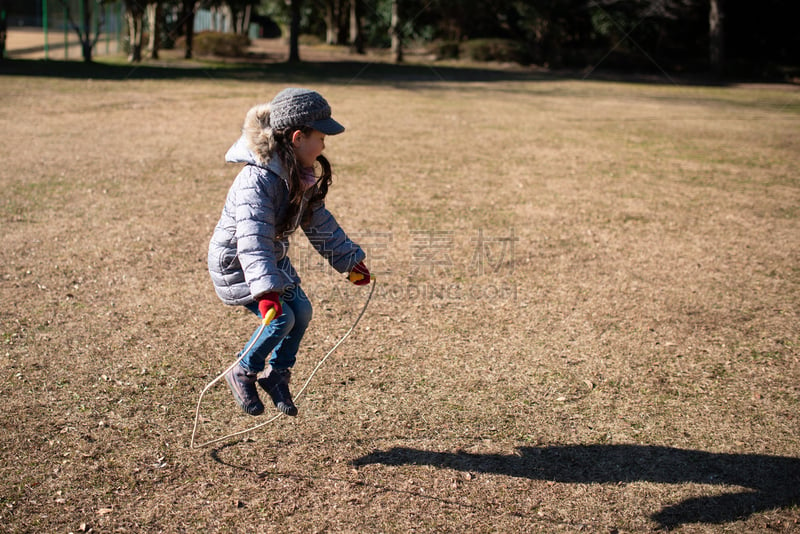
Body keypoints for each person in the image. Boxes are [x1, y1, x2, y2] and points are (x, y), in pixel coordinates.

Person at [208, 88, 370, 417]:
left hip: (272, 259)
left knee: (303, 312)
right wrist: (267, 291)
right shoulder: (257, 181)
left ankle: (277, 374)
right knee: (281, 318)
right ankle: (242, 370)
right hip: (240, 264)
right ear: (297, 137)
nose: (324, 145)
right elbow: (251, 239)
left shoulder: (299, 172)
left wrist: (349, 261)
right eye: (320, 137)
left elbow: (319, 222)